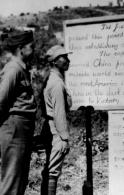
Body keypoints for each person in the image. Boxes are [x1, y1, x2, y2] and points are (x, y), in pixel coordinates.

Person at [0, 31, 37, 195]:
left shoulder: (22, 68)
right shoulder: (13, 69)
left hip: (22, 128)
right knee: (12, 180)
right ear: (21, 48)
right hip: (15, 127)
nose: (34, 49)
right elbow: (0, 101)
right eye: (32, 46)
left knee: (19, 180)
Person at [41, 45, 72, 195]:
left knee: (50, 168)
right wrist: (64, 138)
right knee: (53, 172)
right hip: (56, 130)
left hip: (49, 126)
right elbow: (59, 113)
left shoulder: (50, 78)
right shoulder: (57, 83)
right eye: (63, 58)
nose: (67, 60)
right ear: (54, 62)